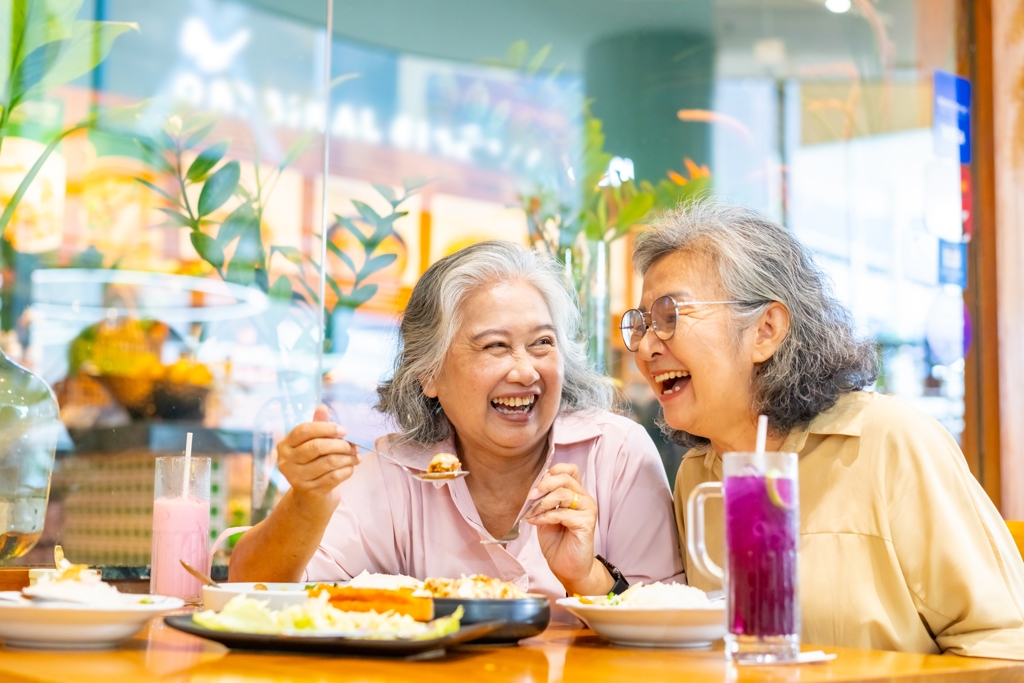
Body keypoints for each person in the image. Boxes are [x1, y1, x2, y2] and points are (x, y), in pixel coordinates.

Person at [621, 201, 1024, 658]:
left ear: (765, 330)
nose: (646, 347)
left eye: (670, 315)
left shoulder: (887, 442)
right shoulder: (697, 478)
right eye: (642, 325)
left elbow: (1004, 646)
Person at [230, 240, 683, 617]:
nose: (525, 371)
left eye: (542, 342)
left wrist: (587, 578)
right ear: (429, 374)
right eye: (495, 346)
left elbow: (671, 626)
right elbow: (250, 595)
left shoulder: (615, 453)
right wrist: (306, 501)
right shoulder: (395, 472)